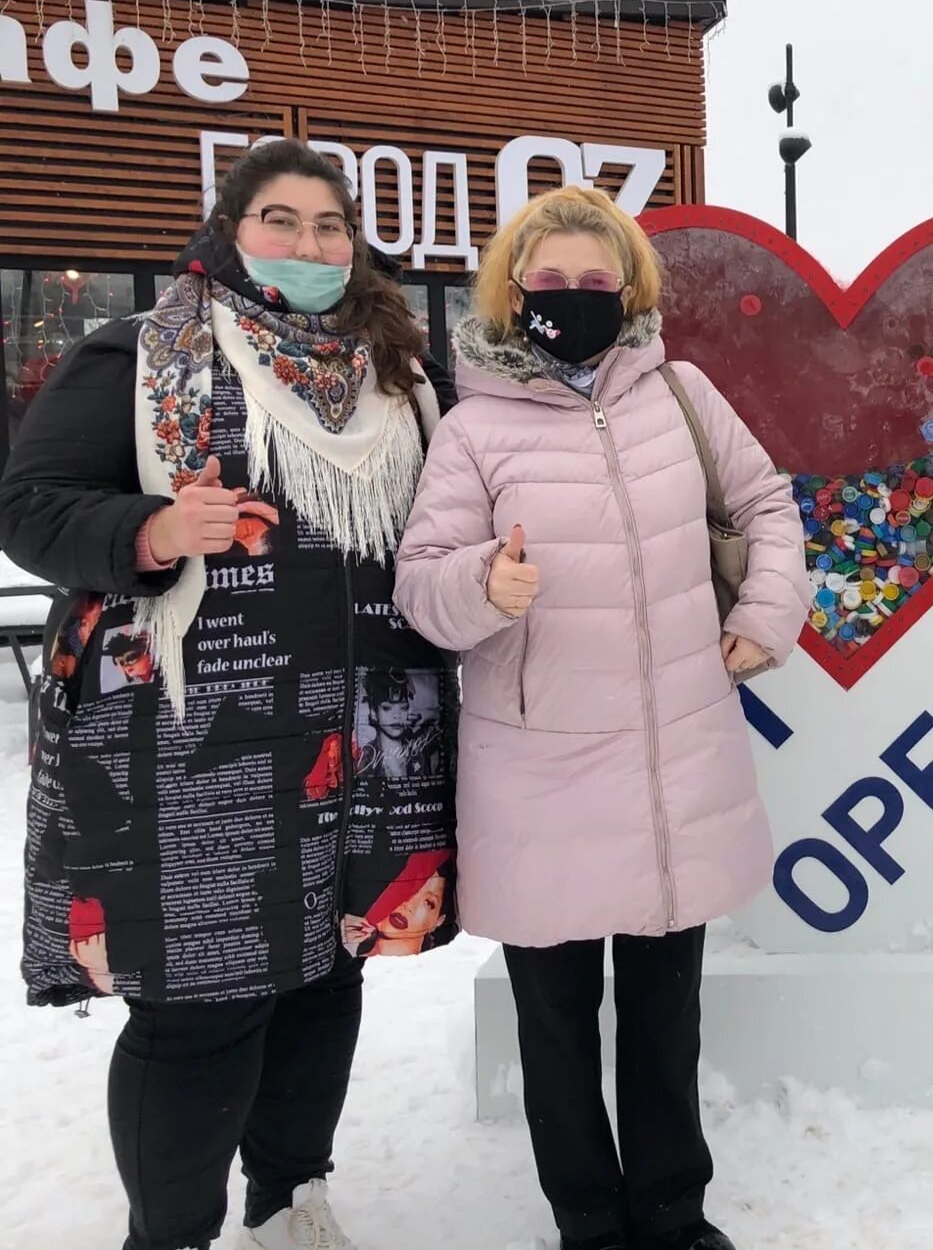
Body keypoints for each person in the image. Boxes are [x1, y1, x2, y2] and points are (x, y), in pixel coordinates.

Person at [0, 137, 461, 1250]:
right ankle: (173, 1236)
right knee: (200, 1001)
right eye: (281, 221)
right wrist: (150, 529)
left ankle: (288, 1202)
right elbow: (31, 506)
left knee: (322, 971)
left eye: (329, 227)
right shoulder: (138, 354)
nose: (308, 246)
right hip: (190, 740)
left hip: (358, 735)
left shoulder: (393, 376)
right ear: (228, 229)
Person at [394, 184, 808, 1250]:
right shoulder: (474, 428)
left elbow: (766, 507)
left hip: (678, 755)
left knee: (667, 1020)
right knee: (558, 1026)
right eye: (552, 281)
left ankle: (673, 1211)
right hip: (539, 775)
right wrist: (486, 582)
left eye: (595, 280)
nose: (574, 298)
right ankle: (588, 1217)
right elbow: (422, 586)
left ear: (628, 289)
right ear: (513, 290)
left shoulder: (682, 394)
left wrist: (766, 612)